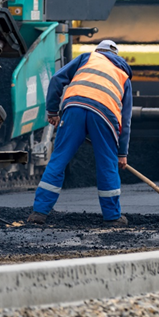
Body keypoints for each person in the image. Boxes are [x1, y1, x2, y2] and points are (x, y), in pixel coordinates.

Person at [27, 40, 133, 226]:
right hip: (105, 115)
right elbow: (126, 119)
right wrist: (122, 153)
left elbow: (56, 80)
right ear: (116, 56)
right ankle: (113, 217)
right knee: (107, 164)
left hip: (74, 108)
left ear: (98, 51)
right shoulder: (123, 75)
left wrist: (52, 111)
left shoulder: (87, 58)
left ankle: (39, 213)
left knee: (58, 160)